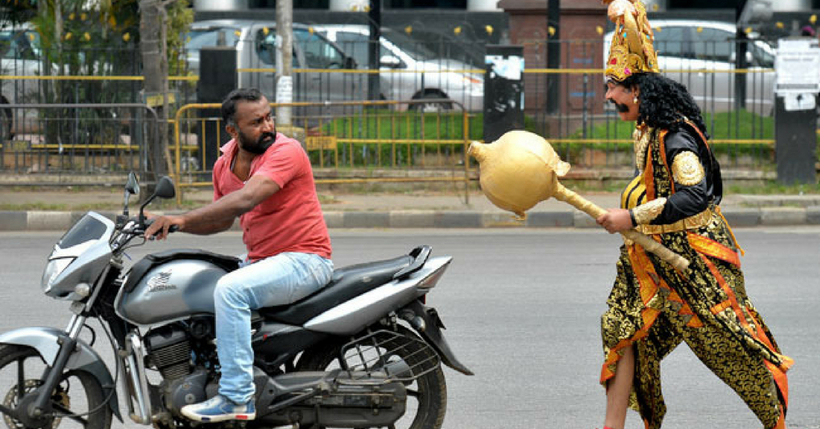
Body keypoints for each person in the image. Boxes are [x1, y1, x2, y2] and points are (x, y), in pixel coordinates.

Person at [594, 1, 792, 429]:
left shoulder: (676, 138)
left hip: (695, 261)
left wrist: (631, 217)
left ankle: (774, 420)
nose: (608, 96)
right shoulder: (645, 130)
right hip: (649, 256)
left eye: (614, 87)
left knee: (726, 345)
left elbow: (694, 197)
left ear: (639, 91)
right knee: (620, 328)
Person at [145, 87, 333, 423]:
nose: (268, 126)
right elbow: (222, 218)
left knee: (230, 291)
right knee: (195, 284)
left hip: (305, 259)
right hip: (264, 261)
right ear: (233, 130)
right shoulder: (223, 165)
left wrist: (183, 217)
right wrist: (174, 225)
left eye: (268, 117)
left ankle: (236, 398)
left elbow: (247, 199)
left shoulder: (286, 151)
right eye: (257, 122)